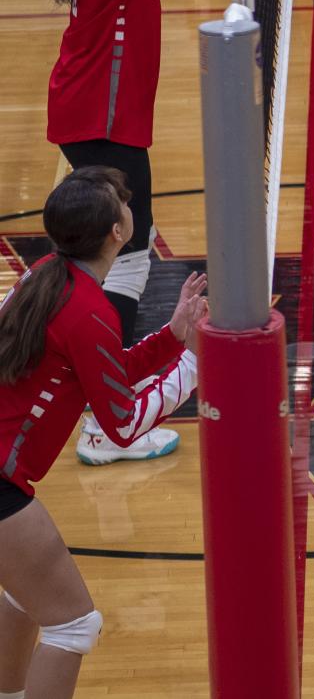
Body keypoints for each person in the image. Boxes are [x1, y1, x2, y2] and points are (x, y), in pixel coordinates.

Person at [46, 0, 229, 464]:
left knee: (118, 253)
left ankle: (98, 398)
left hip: (95, 119)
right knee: (125, 250)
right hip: (102, 124)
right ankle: (105, 422)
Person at [0, 168, 206, 699]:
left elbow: (102, 369)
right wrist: (192, 366)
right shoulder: (89, 311)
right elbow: (122, 425)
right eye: (123, 202)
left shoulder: (44, 273)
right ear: (118, 231)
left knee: (26, 596)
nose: (129, 204)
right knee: (74, 624)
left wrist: (174, 334)